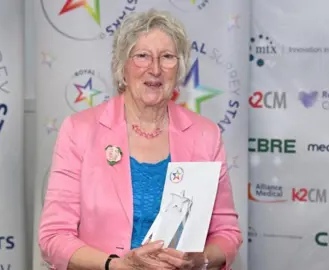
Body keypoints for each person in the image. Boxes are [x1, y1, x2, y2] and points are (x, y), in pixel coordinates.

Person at [38, 8, 243, 270]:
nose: (155, 69)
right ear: (122, 67)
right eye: (142, 56)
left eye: (167, 57)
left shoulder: (206, 135)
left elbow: (227, 232)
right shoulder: (79, 131)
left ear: (179, 68)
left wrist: (200, 259)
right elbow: (53, 236)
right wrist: (116, 266)